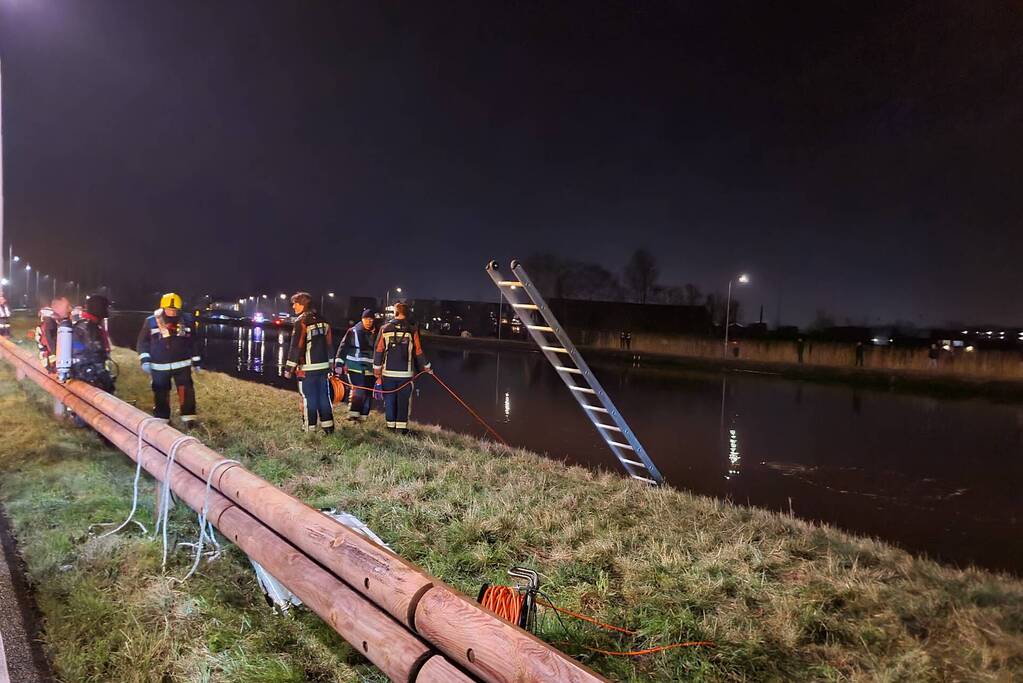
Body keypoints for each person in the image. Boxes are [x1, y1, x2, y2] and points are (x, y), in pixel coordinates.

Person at [137, 293, 201, 426]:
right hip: (159, 366)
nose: (172, 312)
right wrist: (145, 359)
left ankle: (189, 418)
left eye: (175, 310)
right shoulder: (151, 321)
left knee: (186, 392)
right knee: (161, 392)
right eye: (169, 309)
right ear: (162, 308)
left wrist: (196, 361)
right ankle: (162, 418)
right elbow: (143, 342)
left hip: (182, 366)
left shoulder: (187, 320)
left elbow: (193, 341)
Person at [373, 302, 431, 433]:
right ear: (406, 313)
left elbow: (379, 350)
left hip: (388, 373)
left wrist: (377, 370)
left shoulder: (384, 328)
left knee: (389, 400)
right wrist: (427, 366)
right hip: (405, 375)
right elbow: (418, 351)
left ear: (395, 312)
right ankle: (401, 429)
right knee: (403, 402)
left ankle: (390, 427)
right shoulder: (412, 330)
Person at [283, 292, 334, 434]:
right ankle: (328, 427)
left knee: (308, 398)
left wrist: (289, 368)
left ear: (302, 304)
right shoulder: (324, 321)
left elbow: (296, 346)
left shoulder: (301, 321)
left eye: (295, 303)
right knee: (324, 396)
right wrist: (331, 365)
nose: (293, 307)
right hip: (323, 368)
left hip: (307, 369)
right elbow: (330, 345)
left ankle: (309, 429)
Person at [336, 308, 377, 421]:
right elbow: (343, 348)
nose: (369, 321)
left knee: (368, 393)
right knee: (358, 390)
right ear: (362, 319)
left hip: (370, 369)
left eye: (371, 319)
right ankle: (353, 415)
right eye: (367, 319)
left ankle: (363, 417)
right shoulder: (353, 332)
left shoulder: (377, 333)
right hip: (355, 367)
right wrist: (339, 364)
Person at [70, 294, 115, 392]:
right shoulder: (88, 328)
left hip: (88, 378)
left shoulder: (90, 325)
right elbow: (88, 356)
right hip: (89, 381)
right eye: (107, 307)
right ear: (99, 308)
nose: (109, 310)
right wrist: (102, 380)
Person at [39, 297, 72, 374]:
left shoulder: (53, 323)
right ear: (58, 308)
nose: (70, 309)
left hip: (53, 363)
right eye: (67, 307)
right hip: (54, 366)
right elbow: (54, 348)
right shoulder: (50, 325)